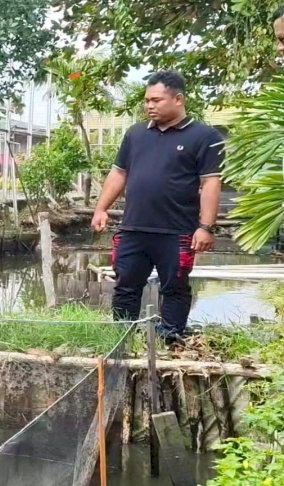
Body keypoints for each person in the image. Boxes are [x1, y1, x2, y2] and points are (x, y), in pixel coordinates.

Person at [91, 70, 223, 345]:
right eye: (147, 100)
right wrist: (101, 208)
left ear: (178, 99)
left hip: (177, 231)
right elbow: (119, 174)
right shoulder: (136, 134)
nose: (149, 105)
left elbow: (211, 183)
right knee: (125, 285)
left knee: (174, 287)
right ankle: (122, 340)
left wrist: (206, 227)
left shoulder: (204, 136)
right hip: (133, 228)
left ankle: (170, 339)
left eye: (156, 100)